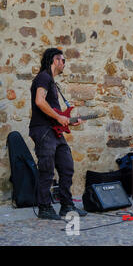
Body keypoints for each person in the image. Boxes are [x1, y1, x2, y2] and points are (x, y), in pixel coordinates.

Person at [29, 48, 87, 220]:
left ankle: (66, 205)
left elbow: (56, 114)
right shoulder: (44, 77)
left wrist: (68, 121)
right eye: (63, 60)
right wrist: (59, 117)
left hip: (54, 131)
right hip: (43, 130)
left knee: (67, 166)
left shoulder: (52, 82)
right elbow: (40, 101)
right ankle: (45, 207)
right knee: (46, 170)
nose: (64, 64)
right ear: (55, 60)